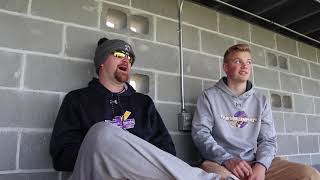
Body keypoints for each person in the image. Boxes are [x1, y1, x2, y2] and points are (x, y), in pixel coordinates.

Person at [49, 37, 222, 180]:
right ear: (101, 63)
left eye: (130, 58)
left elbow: (167, 151)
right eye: (118, 54)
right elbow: (61, 156)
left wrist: (134, 158)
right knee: (102, 132)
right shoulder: (77, 99)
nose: (126, 60)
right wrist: (113, 152)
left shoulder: (143, 103)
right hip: (94, 174)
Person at [192, 44, 320, 180]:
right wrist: (228, 160)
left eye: (248, 62)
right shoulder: (209, 97)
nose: (245, 66)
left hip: (254, 162)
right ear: (226, 68)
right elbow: (200, 134)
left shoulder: (261, 100)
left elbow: (268, 140)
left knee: (309, 175)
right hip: (220, 162)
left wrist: (261, 166)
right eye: (237, 61)